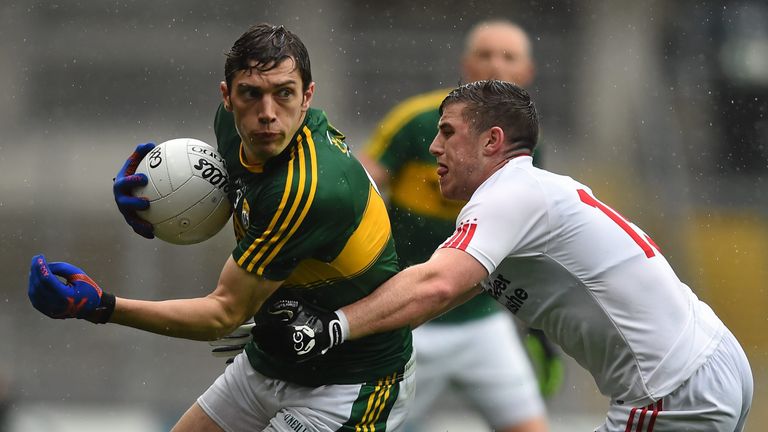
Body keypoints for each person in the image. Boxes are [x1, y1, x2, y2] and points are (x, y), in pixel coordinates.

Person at [256, 80, 754, 432]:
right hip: (706, 360)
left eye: (448, 132)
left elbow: (437, 285)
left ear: (493, 141)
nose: (433, 146)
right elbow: (432, 297)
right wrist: (326, 322)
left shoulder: (507, 194)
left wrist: (329, 326)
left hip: (670, 388)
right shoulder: (523, 195)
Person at [27, 23, 415, 432]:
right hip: (271, 360)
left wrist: (101, 306)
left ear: (307, 98)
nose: (267, 113)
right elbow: (244, 193)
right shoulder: (234, 129)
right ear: (227, 97)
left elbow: (222, 314)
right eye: (251, 93)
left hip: (349, 385)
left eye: (284, 93)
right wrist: (158, 199)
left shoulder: (307, 189)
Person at [358, 20, 553, 432]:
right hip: (410, 321)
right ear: (466, 65)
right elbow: (355, 194)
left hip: (484, 321)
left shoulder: (531, 144)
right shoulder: (415, 120)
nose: (494, 65)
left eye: (508, 56)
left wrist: (538, 319)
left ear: (526, 73)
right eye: (484, 54)